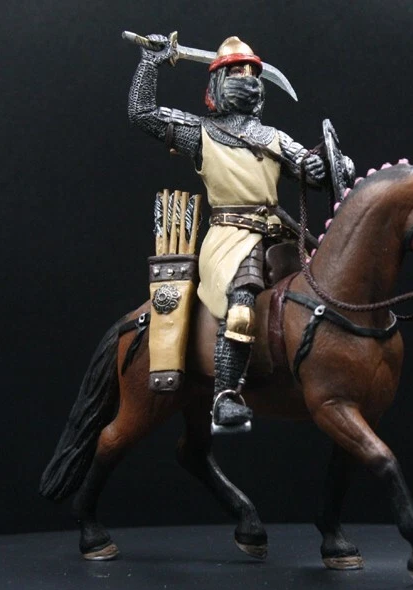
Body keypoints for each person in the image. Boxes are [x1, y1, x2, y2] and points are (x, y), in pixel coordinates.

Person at [128, 34, 327, 432]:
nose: (246, 78)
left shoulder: (276, 139)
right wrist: (150, 63)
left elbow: (310, 170)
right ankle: (225, 396)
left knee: (324, 289)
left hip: (280, 236)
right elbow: (142, 113)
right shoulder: (200, 133)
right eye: (236, 72)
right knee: (241, 300)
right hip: (232, 237)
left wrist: (325, 166)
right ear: (218, 83)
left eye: (251, 72)